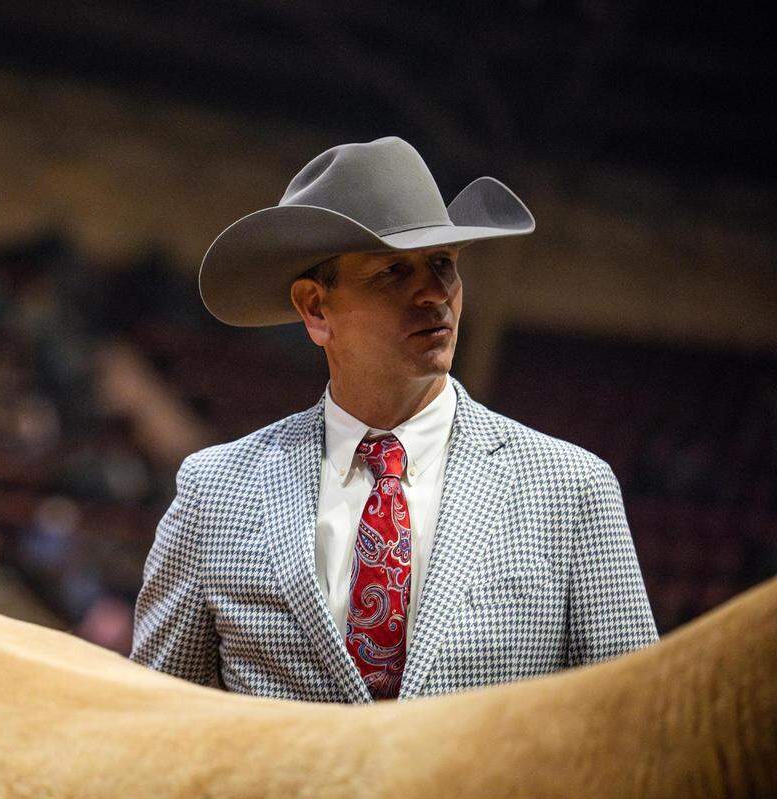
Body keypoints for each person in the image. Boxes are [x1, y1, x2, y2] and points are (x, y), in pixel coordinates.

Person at [129, 137, 658, 703]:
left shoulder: (570, 490)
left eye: (442, 265)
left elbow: (638, 721)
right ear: (314, 307)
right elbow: (157, 720)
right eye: (392, 272)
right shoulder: (217, 492)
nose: (434, 293)